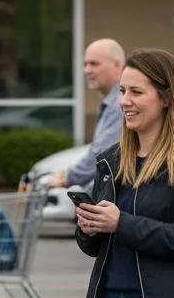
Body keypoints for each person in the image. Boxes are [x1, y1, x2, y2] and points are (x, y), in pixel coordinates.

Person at [75, 48, 174, 298]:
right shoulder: (111, 160)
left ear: (166, 98)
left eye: (136, 93)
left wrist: (121, 223)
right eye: (122, 91)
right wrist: (88, 226)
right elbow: (93, 248)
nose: (125, 102)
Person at [50, 39, 126, 189]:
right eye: (85, 64)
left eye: (94, 64)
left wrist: (68, 177)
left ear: (117, 65)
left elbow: (102, 155)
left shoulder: (120, 104)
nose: (87, 70)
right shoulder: (111, 102)